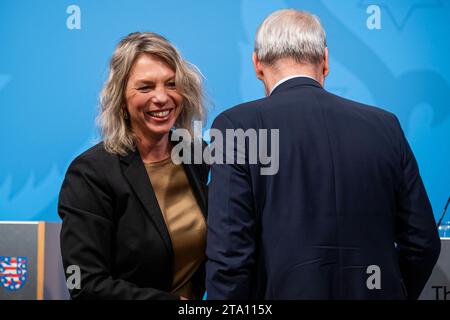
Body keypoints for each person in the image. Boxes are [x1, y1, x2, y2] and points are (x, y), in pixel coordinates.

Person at [205, 9, 440, 299]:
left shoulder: (235, 127)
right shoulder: (385, 126)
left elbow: (230, 257)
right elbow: (423, 243)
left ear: (256, 64)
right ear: (326, 61)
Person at [58, 32, 208, 300]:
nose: (161, 97)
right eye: (146, 87)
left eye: (171, 84)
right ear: (122, 100)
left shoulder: (199, 156)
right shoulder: (90, 174)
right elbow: (84, 284)